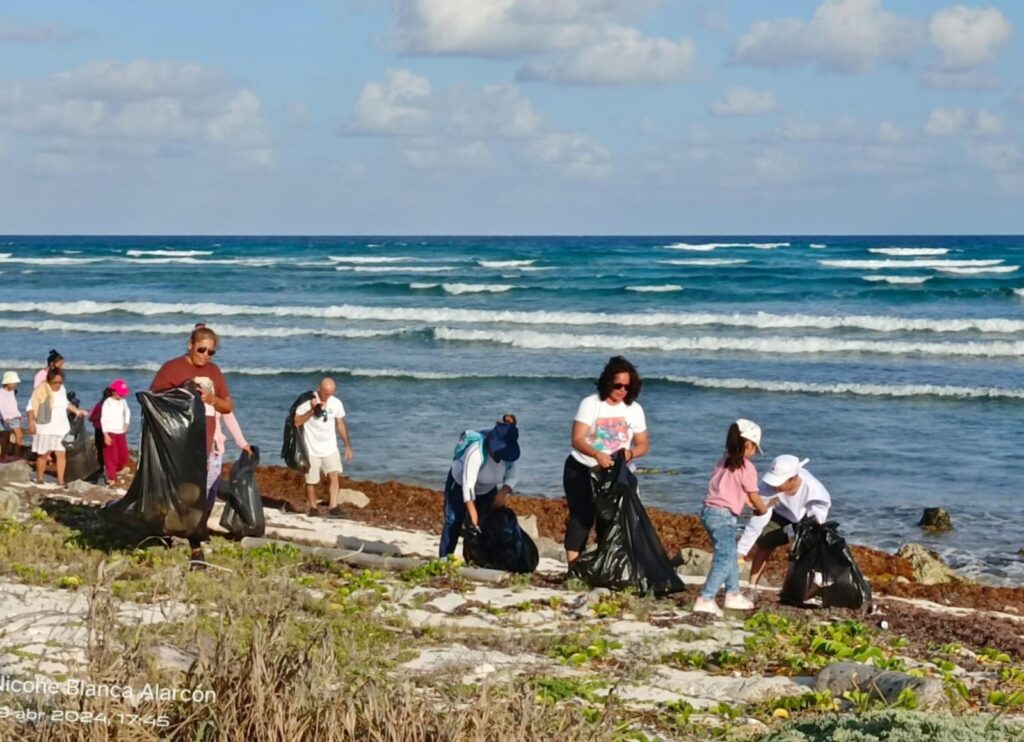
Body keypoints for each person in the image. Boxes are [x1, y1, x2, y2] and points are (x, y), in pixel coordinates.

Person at [151, 323, 233, 567]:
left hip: (203, 442)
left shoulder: (214, 372)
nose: (205, 355)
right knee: (172, 489)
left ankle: (194, 545)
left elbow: (228, 406)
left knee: (195, 493)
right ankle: (166, 533)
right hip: (177, 441)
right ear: (190, 345)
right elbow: (153, 401)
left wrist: (212, 399)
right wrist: (182, 395)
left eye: (211, 352)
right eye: (201, 350)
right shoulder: (172, 368)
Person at [563, 356, 649, 565]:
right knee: (582, 517)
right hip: (582, 467)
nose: (622, 391)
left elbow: (642, 443)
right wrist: (597, 454)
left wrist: (629, 454)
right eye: (618, 385)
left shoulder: (634, 409)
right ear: (608, 382)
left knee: (610, 520)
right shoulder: (591, 404)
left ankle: (604, 565)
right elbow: (577, 438)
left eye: (627, 387)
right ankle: (573, 567)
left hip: (615, 473)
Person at [693, 419, 771, 617]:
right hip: (723, 516)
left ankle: (733, 593)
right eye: (754, 448)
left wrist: (748, 505)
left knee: (729, 554)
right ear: (748, 444)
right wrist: (762, 509)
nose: (754, 453)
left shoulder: (724, 461)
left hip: (709, 512)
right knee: (725, 558)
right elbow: (753, 494)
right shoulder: (747, 467)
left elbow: (735, 490)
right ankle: (706, 598)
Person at [737, 455, 832, 592]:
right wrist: (741, 550)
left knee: (807, 550)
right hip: (777, 512)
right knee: (765, 541)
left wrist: (808, 531)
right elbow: (758, 520)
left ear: (793, 479)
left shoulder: (814, 488)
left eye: (778, 483)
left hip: (804, 516)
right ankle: (752, 586)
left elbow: (820, 511)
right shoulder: (767, 487)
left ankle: (805, 589)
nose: (774, 486)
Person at [439, 418, 521, 558]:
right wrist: (473, 514)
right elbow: (468, 486)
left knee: (489, 523)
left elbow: (512, 476)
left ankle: (478, 559)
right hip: (459, 484)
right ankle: (444, 559)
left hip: (488, 488)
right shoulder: (476, 452)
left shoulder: (509, 456)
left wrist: (503, 493)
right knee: (454, 520)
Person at [294, 378, 353, 516]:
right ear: (319, 387)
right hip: (311, 448)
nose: (327, 396)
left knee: (334, 475)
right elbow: (296, 422)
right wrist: (312, 411)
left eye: (330, 393)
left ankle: (333, 507)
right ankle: (313, 508)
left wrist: (347, 445)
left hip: (330, 447)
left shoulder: (336, 403)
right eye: (325, 393)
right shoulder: (306, 401)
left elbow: (340, 424)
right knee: (311, 480)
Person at [27, 367, 87, 485]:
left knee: (61, 454)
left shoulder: (62, 389)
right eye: (55, 382)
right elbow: (30, 408)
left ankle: (60, 480)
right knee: (43, 454)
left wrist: (77, 411)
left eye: (60, 382)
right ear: (49, 380)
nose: (58, 385)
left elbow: (65, 404)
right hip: (45, 429)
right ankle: (40, 478)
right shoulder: (41, 389)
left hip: (60, 428)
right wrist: (31, 423)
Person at [208, 411, 253, 503]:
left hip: (214, 448)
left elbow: (229, 416)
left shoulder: (218, 397)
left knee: (212, 488)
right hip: (192, 448)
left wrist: (242, 442)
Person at [100, 379, 132, 487]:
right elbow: (103, 419)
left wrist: (126, 423)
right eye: (120, 394)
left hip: (120, 432)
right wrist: (105, 434)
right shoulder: (107, 402)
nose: (122, 396)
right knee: (111, 456)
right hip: (110, 432)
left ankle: (113, 470)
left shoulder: (123, 401)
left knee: (124, 456)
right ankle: (111, 477)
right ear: (113, 392)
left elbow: (127, 411)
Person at [88, 387, 115, 476]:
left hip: (108, 429)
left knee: (105, 449)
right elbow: (91, 418)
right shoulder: (99, 406)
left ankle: (106, 467)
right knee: (101, 449)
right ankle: (102, 467)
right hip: (100, 429)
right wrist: (99, 416)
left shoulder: (112, 406)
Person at [0, 371, 24, 461]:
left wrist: (19, 414)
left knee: (18, 435)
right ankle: (3, 456)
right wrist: (4, 417)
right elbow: (1, 406)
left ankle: (14, 455)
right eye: (13, 383)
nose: (15, 385)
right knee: (5, 437)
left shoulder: (12, 392)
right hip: (6, 418)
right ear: (7, 382)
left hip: (14, 417)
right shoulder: (1, 392)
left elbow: (13, 404)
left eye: (16, 383)